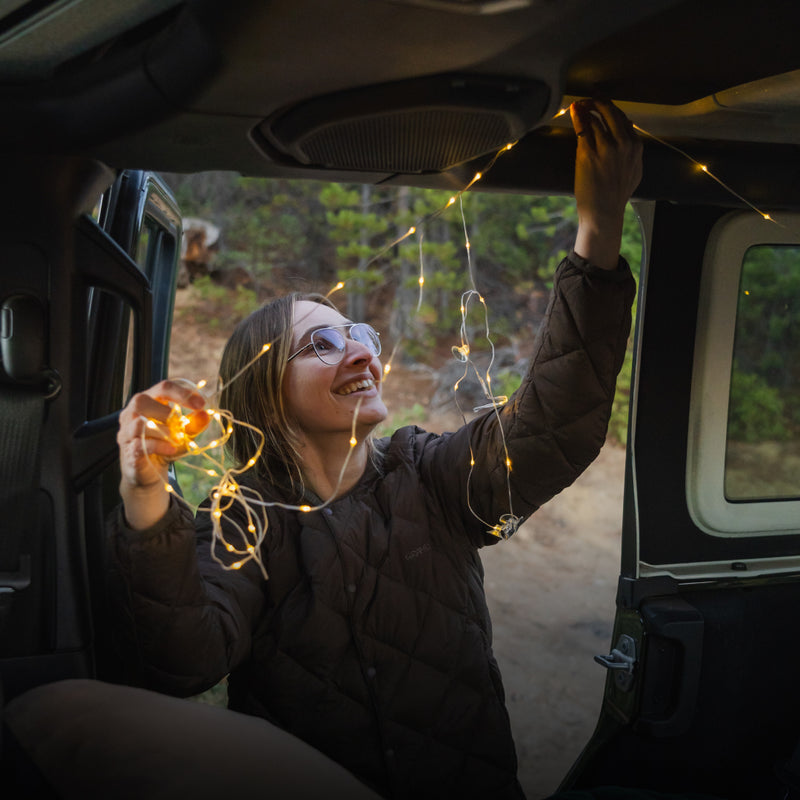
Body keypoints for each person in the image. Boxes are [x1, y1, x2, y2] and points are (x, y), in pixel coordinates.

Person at [107, 99, 641, 800]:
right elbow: (186, 661)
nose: (360, 353)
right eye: (321, 345)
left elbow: (554, 422)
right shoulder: (241, 520)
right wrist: (146, 491)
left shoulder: (431, 476)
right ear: (264, 391)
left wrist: (598, 232)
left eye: (359, 333)